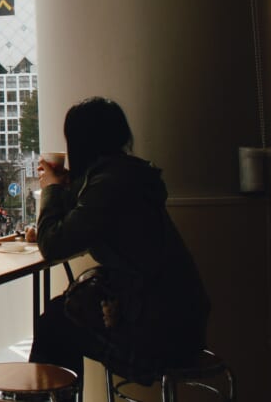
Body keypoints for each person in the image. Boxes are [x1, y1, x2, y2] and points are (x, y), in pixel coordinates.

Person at [28, 97, 209, 388]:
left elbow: (54, 245)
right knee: (60, 318)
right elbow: (87, 221)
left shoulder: (109, 185)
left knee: (55, 324)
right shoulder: (128, 175)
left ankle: (44, 397)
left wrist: (50, 188)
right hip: (181, 320)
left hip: (158, 330)